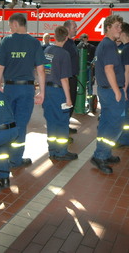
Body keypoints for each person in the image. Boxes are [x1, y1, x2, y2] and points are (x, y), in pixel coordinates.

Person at [0, 13, 46, 168]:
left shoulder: (6, 41)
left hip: (9, 88)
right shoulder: (34, 43)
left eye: (10, 26)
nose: (10, 29)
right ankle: (16, 159)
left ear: (15, 24)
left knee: (7, 122)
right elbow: (41, 70)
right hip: (27, 89)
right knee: (21, 125)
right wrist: (42, 92)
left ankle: (4, 158)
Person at [91, 14, 126, 174]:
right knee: (115, 124)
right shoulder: (110, 45)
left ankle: (103, 153)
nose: (120, 29)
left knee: (105, 122)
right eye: (117, 26)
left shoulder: (103, 45)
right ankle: (101, 155)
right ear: (108, 28)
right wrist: (118, 91)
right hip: (111, 92)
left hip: (105, 91)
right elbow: (108, 69)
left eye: (121, 26)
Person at [43, 26, 78, 161]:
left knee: (51, 121)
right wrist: (68, 99)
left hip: (47, 90)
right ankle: (62, 151)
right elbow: (64, 79)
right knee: (62, 122)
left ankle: (52, 150)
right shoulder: (64, 54)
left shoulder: (47, 50)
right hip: (58, 92)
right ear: (66, 37)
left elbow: (44, 71)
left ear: (54, 36)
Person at [116, 23, 129, 147]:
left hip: (125, 85)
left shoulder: (127, 48)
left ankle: (124, 140)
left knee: (124, 114)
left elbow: (127, 70)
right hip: (126, 84)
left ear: (122, 33)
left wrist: (124, 89)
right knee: (125, 113)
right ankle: (124, 138)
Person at [63, 20, 80, 134]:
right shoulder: (65, 44)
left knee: (71, 102)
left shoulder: (71, 43)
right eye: (74, 27)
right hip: (67, 79)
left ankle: (66, 125)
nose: (76, 29)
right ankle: (63, 128)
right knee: (67, 103)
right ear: (68, 29)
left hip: (72, 77)